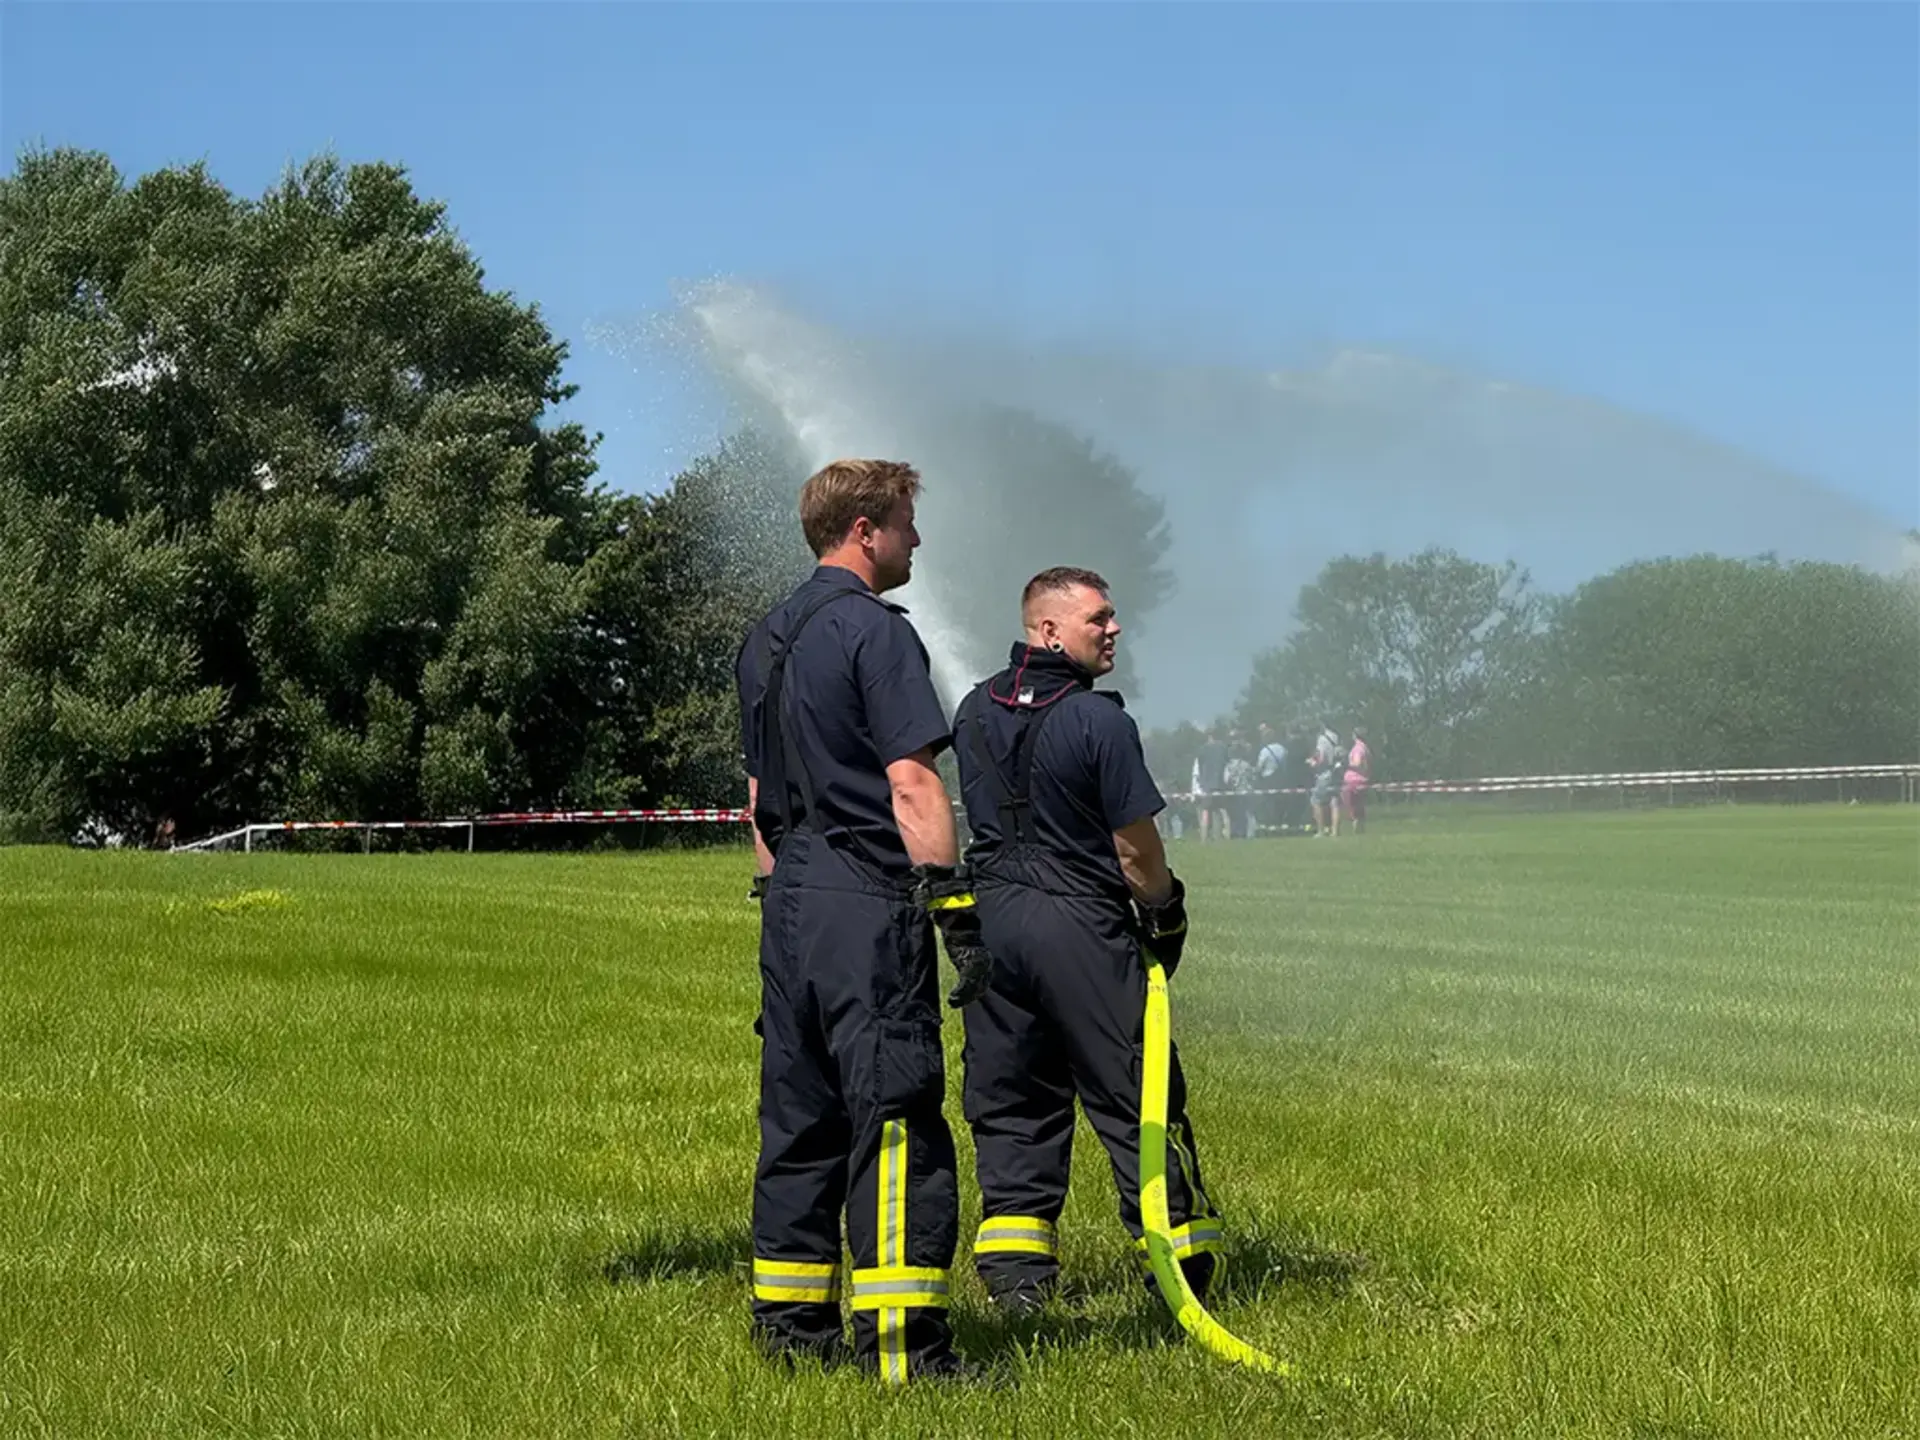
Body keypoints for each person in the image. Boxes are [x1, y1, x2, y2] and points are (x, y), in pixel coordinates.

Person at [735, 458, 992, 1384]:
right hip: (865, 894)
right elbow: (913, 781)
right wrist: (953, 905)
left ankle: (793, 1338)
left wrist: (784, 898)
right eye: (906, 524)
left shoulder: (765, 638)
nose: (916, 541)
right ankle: (903, 1351)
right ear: (864, 529)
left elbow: (758, 799)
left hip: (790, 899)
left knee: (799, 1113)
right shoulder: (875, 636)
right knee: (892, 1109)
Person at [951, 567, 1221, 1315]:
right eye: (1099, 618)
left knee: (1011, 1097)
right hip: (1082, 927)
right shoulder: (1101, 722)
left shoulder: (973, 710)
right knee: (1139, 1094)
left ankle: (1017, 1281)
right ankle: (1181, 1272)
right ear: (1048, 630)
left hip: (995, 928)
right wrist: (1165, 912)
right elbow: (1136, 852)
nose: (1114, 629)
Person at [1191, 727, 1230, 842]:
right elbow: (1227, 767)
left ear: (1209, 736)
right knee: (1223, 810)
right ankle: (1226, 836)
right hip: (1220, 783)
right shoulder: (1223, 748)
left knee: (1205, 811)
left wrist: (1198, 786)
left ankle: (1203, 838)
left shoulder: (1202, 749)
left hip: (1206, 785)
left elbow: (1197, 769)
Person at [1308, 718, 1344, 837]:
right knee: (1334, 801)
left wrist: (1312, 762)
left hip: (1325, 773)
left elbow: (1321, 757)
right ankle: (1335, 831)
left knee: (1315, 800)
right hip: (1336, 772)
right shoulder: (1336, 737)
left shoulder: (1322, 739)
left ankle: (1321, 830)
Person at [1337, 725, 1372, 836]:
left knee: (1352, 808)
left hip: (1354, 781)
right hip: (1362, 779)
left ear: (1355, 736)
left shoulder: (1358, 748)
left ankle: (1356, 829)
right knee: (1359, 807)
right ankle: (1360, 830)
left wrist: (1344, 764)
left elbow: (1357, 763)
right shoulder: (1365, 747)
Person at [1254, 724, 1287, 834]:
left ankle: (1271, 824)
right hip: (1281, 777)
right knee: (1280, 802)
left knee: (1269, 803)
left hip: (1268, 778)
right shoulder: (1282, 748)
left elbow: (1259, 767)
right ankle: (1280, 823)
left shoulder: (1265, 751)